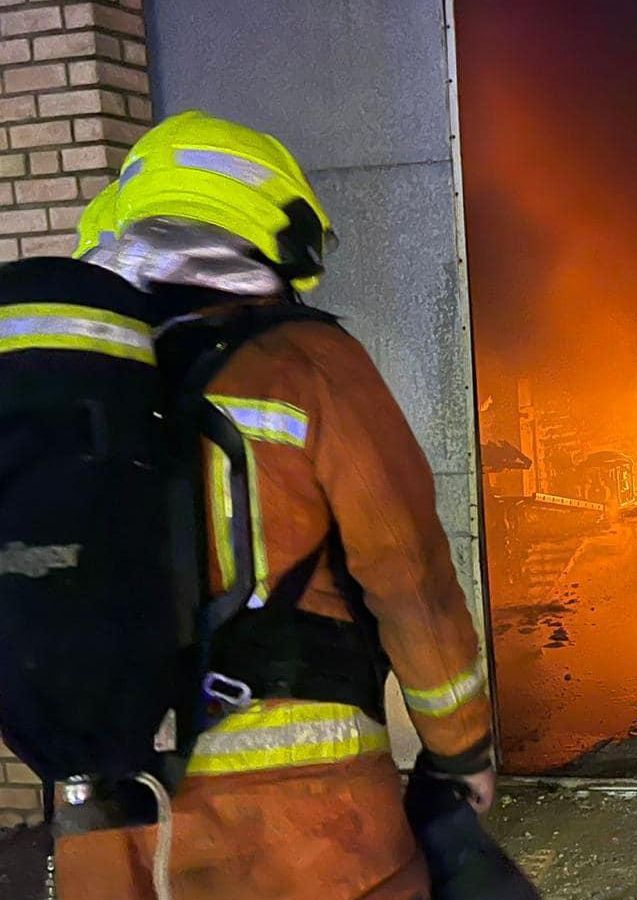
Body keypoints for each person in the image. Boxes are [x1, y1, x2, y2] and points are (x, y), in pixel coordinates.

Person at [53, 111, 493, 899]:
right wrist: (459, 751)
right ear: (270, 234)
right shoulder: (307, 363)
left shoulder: (73, 386)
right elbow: (409, 574)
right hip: (304, 827)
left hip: (109, 822)